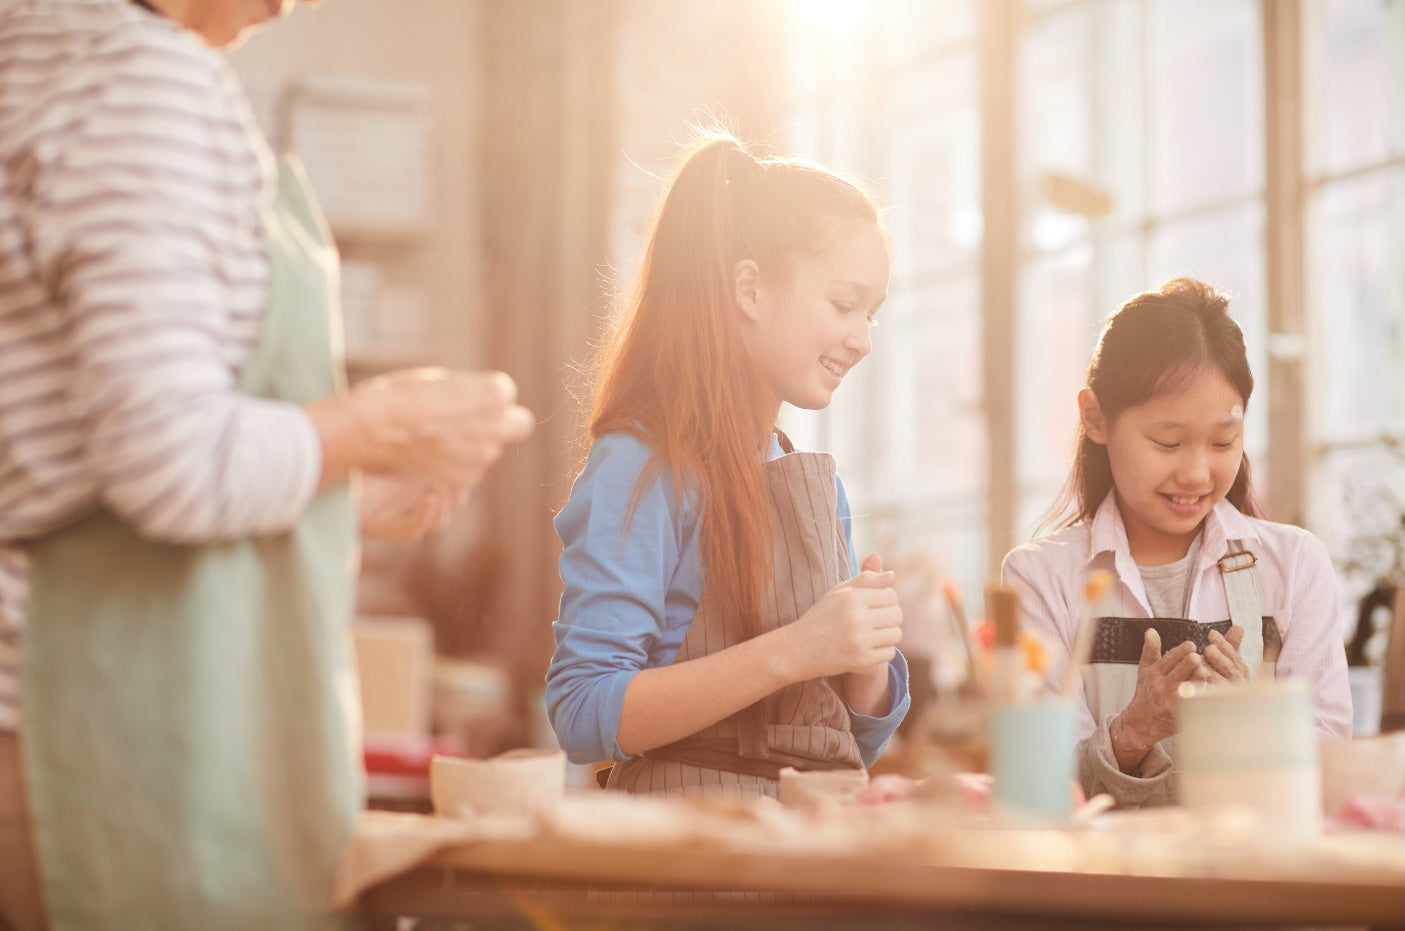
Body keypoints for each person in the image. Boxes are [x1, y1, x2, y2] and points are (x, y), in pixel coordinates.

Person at [0, 1, 533, 928]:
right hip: (109, 729)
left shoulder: (34, 50)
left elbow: (66, 451)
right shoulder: (141, 82)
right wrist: (372, 425)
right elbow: (167, 461)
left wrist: (342, 491)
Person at [545, 130, 910, 800]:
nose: (861, 338)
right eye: (842, 303)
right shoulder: (642, 465)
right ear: (749, 288)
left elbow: (839, 745)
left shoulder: (809, 483)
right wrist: (797, 648)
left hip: (809, 852)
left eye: (872, 313)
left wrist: (866, 661)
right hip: (687, 861)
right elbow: (583, 711)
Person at [1002, 277, 1351, 809]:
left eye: (1222, 442)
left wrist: (1254, 724)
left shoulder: (1295, 565)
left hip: (1253, 878)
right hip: (1102, 881)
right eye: (1167, 442)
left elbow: (1327, 768)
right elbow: (1039, 786)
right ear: (1096, 417)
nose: (1195, 472)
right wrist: (1133, 732)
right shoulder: (1040, 577)